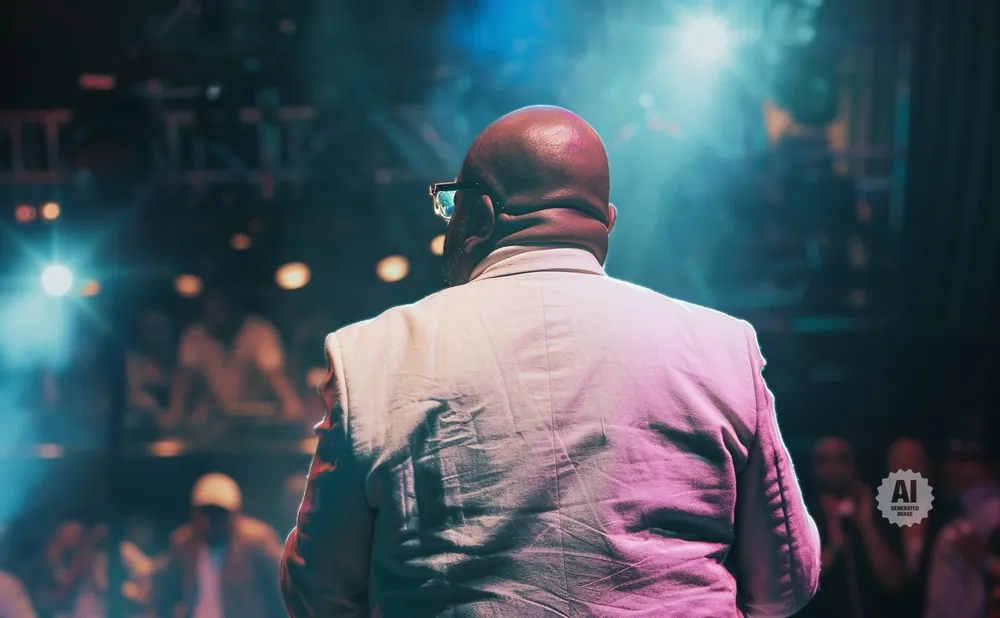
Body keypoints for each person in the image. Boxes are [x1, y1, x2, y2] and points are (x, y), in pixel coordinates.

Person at [281, 105, 821, 617]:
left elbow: (318, 594)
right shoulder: (722, 346)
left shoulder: (371, 355)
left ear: (479, 213)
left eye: (450, 205)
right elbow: (787, 582)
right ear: (605, 222)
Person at [165, 286, 302, 428]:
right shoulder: (194, 335)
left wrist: (290, 403)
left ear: (234, 309)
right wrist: (175, 411)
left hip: (255, 420)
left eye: (219, 309)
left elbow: (274, 372)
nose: (213, 315)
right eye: (209, 310)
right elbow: (185, 374)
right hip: (212, 419)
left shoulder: (260, 332)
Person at [800, 437, 904, 618]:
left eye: (841, 458)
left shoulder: (878, 512)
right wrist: (834, 545)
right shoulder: (801, 517)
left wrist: (867, 527)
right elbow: (798, 586)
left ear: (855, 465)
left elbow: (895, 582)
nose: (833, 467)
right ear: (814, 468)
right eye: (824, 459)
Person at [155, 473, 285, 618]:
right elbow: (165, 597)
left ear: (236, 513)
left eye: (220, 513)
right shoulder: (182, 543)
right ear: (194, 512)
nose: (212, 519)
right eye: (207, 511)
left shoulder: (258, 542)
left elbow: (281, 594)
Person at [924, 418, 1000, 618]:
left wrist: (987, 561)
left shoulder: (990, 518)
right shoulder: (959, 521)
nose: (948, 468)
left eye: (961, 459)